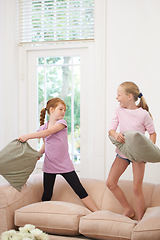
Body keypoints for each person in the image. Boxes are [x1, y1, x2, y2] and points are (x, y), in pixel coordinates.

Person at [18, 97, 98, 212]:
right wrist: (36, 155)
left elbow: (49, 132)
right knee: (47, 194)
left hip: (64, 164)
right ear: (51, 110)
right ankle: (41, 214)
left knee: (79, 190)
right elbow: (46, 145)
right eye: (60, 109)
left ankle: (97, 212)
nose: (63, 112)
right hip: (49, 165)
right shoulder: (43, 127)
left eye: (64, 110)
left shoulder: (62, 123)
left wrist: (27, 136)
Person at [106, 81, 156, 221]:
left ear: (129, 96)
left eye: (119, 95)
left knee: (136, 188)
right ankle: (128, 209)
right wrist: (115, 134)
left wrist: (148, 151)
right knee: (110, 182)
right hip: (123, 152)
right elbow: (111, 130)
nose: (117, 98)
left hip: (138, 155)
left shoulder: (143, 114)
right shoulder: (118, 110)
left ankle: (140, 221)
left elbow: (152, 133)